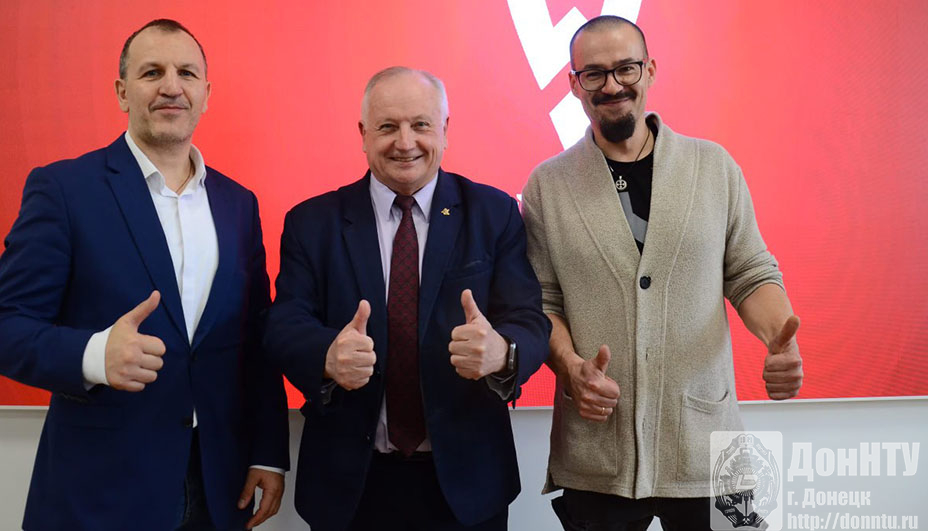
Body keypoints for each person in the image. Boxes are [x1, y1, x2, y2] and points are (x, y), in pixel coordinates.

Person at [0, 19, 288, 531]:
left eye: (186, 73)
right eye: (152, 72)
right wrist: (94, 355)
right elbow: (0, 330)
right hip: (100, 491)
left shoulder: (238, 203)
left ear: (206, 94)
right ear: (123, 92)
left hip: (218, 484)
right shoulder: (64, 189)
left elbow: (256, 338)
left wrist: (268, 452)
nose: (171, 86)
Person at [522, 15, 805, 530]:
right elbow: (543, 302)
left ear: (649, 70)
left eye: (626, 68)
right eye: (594, 74)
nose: (612, 85)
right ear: (574, 84)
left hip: (705, 446)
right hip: (596, 454)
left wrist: (778, 342)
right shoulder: (548, 186)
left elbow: (749, 271)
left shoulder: (713, 167)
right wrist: (569, 367)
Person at [265, 66, 551, 531]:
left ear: (444, 130)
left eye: (420, 124)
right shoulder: (312, 222)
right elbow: (284, 325)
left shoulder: (494, 212)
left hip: (469, 485)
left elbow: (529, 318)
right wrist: (326, 355)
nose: (405, 142)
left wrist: (503, 351)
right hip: (349, 487)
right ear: (363, 134)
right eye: (387, 126)